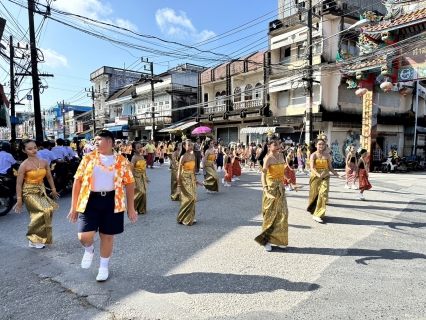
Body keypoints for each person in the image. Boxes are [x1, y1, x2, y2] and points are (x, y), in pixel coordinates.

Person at [67, 130, 137, 282]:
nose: (96, 142)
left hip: (112, 200)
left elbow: (130, 184)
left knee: (107, 235)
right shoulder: (88, 158)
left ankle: (103, 267)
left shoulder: (122, 160)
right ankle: (89, 249)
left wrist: (131, 208)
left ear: (110, 142)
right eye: (95, 140)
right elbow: (77, 181)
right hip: (90, 200)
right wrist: (74, 207)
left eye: (99, 140)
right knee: (84, 236)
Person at [14, 140, 60, 249]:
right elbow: (19, 184)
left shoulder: (44, 162)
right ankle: (33, 238)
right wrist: (19, 200)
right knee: (41, 211)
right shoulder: (24, 165)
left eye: (35, 147)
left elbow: (49, 177)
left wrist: (53, 190)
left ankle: (37, 237)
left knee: (48, 210)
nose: (34, 150)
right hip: (28, 191)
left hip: (41, 190)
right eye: (30, 149)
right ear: (24, 151)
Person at [254, 136, 294, 252]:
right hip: (271, 189)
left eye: (279, 144)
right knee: (270, 215)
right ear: (269, 147)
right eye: (275, 144)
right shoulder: (268, 159)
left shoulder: (281, 156)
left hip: (280, 188)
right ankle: (266, 240)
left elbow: (283, 172)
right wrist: (266, 191)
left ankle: (277, 239)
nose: (278, 146)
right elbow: (263, 176)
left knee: (283, 214)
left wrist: (291, 182)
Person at [307, 139, 344, 223]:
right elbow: (312, 168)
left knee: (323, 193)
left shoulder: (327, 155)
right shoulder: (313, 155)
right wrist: (318, 175)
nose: (321, 146)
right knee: (314, 195)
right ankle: (314, 210)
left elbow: (330, 167)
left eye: (323, 144)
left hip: (325, 176)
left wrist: (337, 174)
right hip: (315, 177)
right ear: (316, 145)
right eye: (319, 144)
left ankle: (317, 214)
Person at [177, 139, 204, 225]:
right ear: (184, 147)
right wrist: (178, 185)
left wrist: (196, 181)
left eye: (192, 145)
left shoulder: (193, 156)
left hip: (191, 178)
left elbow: (193, 170)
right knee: (189, 197)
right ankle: (184, 217)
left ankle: (190, 215)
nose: (191, 147)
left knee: (194, 197)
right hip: (185, 178)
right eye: (189, 145)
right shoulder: (183, 157)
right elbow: (179, 171)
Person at [131, 141, 150, 215]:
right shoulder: (134, 158)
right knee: (140, 192)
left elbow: (144, 168)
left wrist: (146, 178)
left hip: (143, 176)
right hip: (136, 176)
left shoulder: (142, 156)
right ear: (134, 149)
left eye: (140, 147)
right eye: (138, 148)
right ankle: (133, 208)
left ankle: (141, 209)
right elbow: (131, 169)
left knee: (144, 192)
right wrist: (133, 180)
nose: (140, 149)